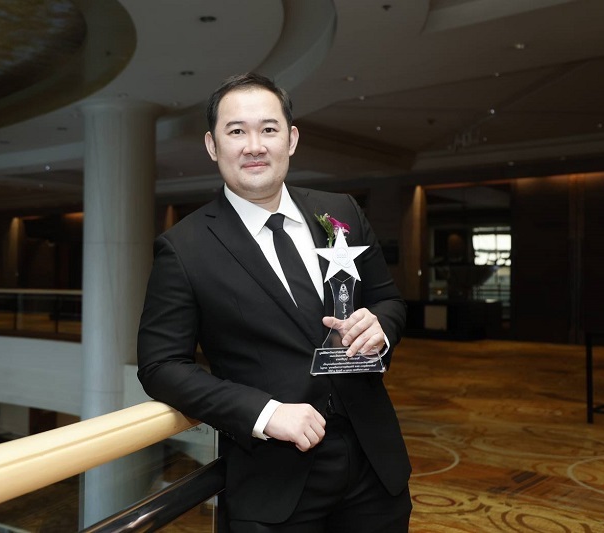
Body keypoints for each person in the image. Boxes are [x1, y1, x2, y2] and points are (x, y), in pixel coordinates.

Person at [137, 72, 411, 532]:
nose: (254, 146)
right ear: (212, 145)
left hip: (374, 467)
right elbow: (160, 365)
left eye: (268, 129)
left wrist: (381, 327)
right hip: (274, 479)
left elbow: (388, 299)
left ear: (291, 139)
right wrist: (264, 413)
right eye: (236, 131)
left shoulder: (341, 212)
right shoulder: (183, 249)